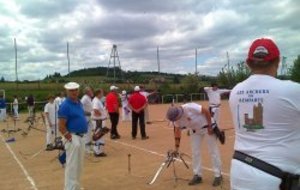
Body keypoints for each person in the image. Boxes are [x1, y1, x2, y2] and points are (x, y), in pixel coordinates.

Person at [229, 38, 300, 190]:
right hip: (278, 179)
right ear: (277, 61)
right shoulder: (292, 90)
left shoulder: (235, 91)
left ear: (248, 63)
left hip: (239, 171)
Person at [166, 103, 223, 187]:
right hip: (195, 131)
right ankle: (197, 175)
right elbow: (177, 132)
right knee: (195, 152)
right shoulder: (176, 120)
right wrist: (176, 148)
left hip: (207, 127)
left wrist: (210, 127)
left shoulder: (189, 107)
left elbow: (206, 111)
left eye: (175, 119)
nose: (175, 121)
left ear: (179, 114)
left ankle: (218, 175)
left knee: (213, 151)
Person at [58, 82, 87, 190]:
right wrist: (70, 138)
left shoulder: (79, 102)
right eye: (71, 90)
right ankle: (70, 188)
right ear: (67, 92)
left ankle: (77, 187)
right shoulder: (65, 105)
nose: (74, 92)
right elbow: (61, 126)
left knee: (79, 165)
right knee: (72, 166)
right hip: (73, 137)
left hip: (81, 137)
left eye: (76, 89)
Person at [91, 88, 108, 157]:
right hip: (99, 121)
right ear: (98, 93)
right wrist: (101, 115)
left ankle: (97, 150)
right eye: (102, 93)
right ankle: (98, 152)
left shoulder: (97, 100)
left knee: (99, 135)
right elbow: (95, 109)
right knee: (99, 135)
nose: (103, 94)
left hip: (99, 120)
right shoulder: (96, 101)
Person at [80, 86, 94, 153]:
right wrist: (86, 113)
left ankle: (89, 147)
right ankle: (86, 148)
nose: (92, 92)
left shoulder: (89, 98)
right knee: (87, 133)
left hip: (90, 117)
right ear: (87, 92)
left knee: (89, 132)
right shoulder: (84, 98)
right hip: (86, 118)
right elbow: (80, 107)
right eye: (90, 91)